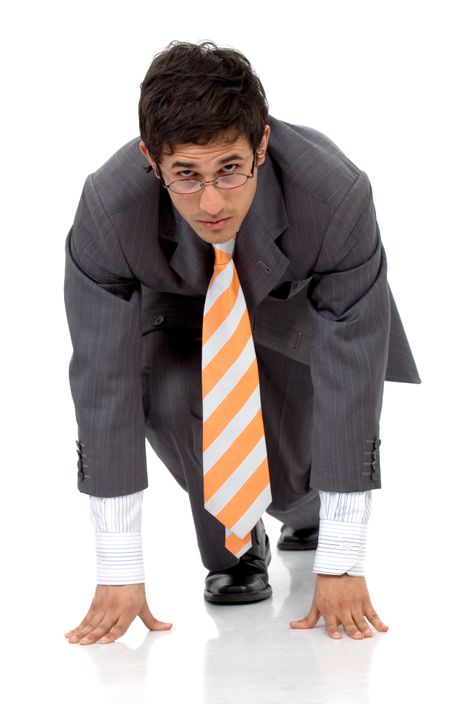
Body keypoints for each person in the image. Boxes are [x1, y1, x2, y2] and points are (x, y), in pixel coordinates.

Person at [63, 40, 420, 646]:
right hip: (178, 316)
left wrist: (342, 557)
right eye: (186, 175)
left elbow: (350, 372)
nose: (211, 203)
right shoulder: (107, 209)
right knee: (166, 389)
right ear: (152, 160)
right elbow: (103, 379)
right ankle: (233, 547)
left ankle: (303, 516)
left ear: (261, 146)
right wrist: (119, 568)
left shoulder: (335, 195)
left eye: (230, 168)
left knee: (298, 464)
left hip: (295, 319)